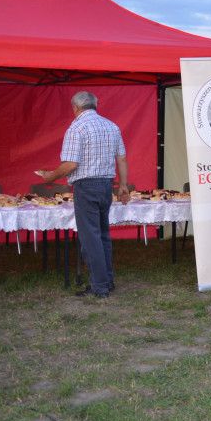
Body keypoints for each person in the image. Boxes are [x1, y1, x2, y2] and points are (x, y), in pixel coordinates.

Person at [34, 91, 129, 299]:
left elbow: (70, 164)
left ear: (75, 108)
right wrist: (123, 186)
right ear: (95, 105)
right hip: (106, 185)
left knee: (90, 238)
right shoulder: (112, 126)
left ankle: (99, 286)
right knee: (103, 234)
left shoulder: (77, 127)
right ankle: (107, 281)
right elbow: (121, 159)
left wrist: (51, 177)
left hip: (86, 187)